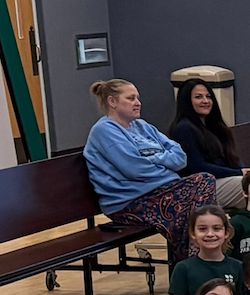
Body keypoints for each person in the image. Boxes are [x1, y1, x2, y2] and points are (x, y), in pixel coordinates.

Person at [82, 79, 218, 260]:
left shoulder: (142, 126)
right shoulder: (104, 131)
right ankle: (197, 260)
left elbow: (180, 157)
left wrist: (153, 159)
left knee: (200, 189)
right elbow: (135, 170)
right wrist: (165, 168)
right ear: (112, 102)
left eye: (138, 98)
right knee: (198, 190)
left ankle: (194, 260)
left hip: (160, 192)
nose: (138, 103)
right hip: (130, 203)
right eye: (130, 98)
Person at [167, 73, 244, 182]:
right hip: (203, 185)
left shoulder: (216, 127)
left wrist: (246, 172)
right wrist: (238, 173)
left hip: (227, 178)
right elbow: (197, 167)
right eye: (198, 97)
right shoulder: (184, 129)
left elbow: (232, 159)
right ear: (187, 101)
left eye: (208, 96)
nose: (205, 101)